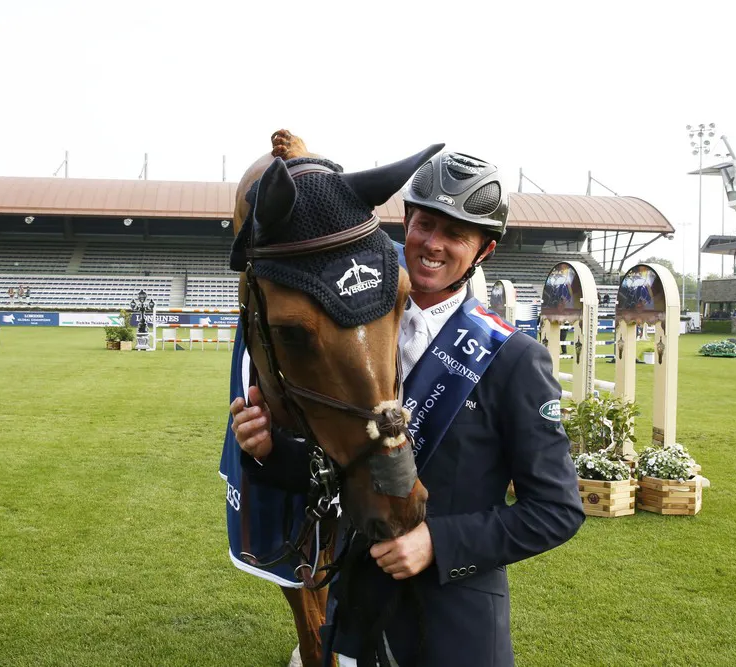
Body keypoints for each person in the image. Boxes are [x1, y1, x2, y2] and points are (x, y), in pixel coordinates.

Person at [230, 150, 585, 667]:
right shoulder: (356, 337)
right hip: (355, 615)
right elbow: (345, 467)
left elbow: (557, 510)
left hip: (453, 628)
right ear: (405, 223)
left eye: (455, 234)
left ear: (484, 250)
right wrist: (268, 451)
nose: (433, 244)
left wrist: (438, 542)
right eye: (425, 224)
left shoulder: (514, 360)